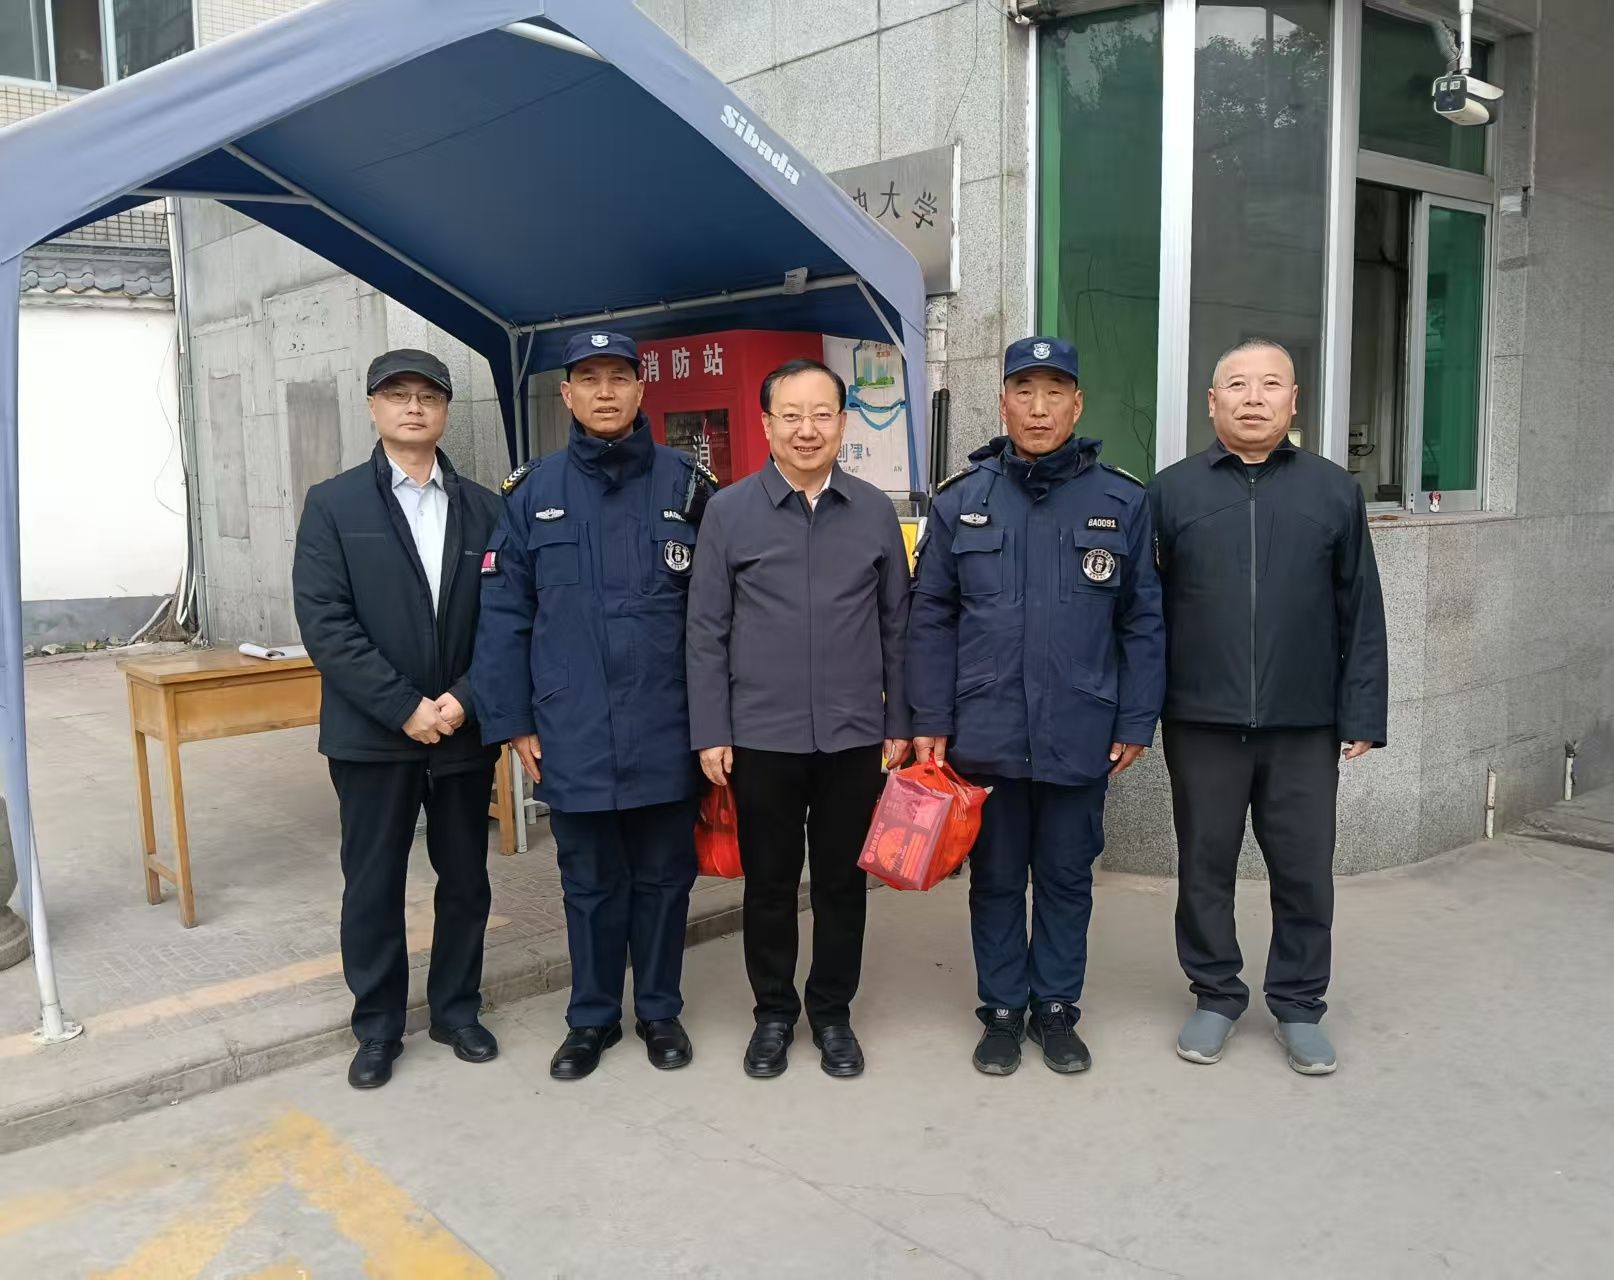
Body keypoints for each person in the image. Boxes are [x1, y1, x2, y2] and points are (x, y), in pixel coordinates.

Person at [908, 336, 1165, 1076]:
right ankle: (1000, 1010)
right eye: (1025, 391)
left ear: (1077, 404)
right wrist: (930, 720)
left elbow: (1144, 620)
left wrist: (1135, 719)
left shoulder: (1122, 501)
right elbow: (931, 618)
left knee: (1065, 877)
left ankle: (1055, 1008)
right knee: (994, 881)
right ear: (1003, 403)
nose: (1040, 407)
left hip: (1080, 729)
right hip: (984, 730)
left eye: (1055, 392)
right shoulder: (962, 501)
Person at [472, 331, 714, 1081]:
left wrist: (717, 723)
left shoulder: (689, 487)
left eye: (618, 378)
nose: (605, 392)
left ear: (642, 389)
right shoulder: (533, 493)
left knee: (665, 879)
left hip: (668, 724)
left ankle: (660, 1011)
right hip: (571, 727)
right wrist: (514, 721)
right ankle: (592, 1018)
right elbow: (504, 614)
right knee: (588, 881)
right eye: (589, 379)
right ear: (567, 394)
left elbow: (721, 616)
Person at [1149, 338, 1387, 1076]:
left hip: (1304, 722)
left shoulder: (1332, 491)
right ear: (1211, 402)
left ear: (1294, 400)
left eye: (1270, 385)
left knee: (1305, 871)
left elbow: (1361, 610)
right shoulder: (1171, 493)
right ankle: (1216, 994)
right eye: (1237, 385)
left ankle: (1298, 1004)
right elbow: (1144, 614)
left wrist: (1361, 713)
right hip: (1202, 720)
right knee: (1205, 867)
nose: (1254, 398)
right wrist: (1138, 712)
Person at [687, 358, 911, 1080]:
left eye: (821, 414)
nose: (807, 429)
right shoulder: (728, 513)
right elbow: (706, 630)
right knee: (771, 884)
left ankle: (833, 1013)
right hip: (762, 737)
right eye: (791, 415)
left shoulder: (873, 511)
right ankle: (774, 1014)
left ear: (843, 423)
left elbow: (897, 626)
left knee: (843, 883)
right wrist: (711, 730)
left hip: (854, 737)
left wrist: (900, 722)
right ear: (766, 424)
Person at [293, 349, 504, 1090]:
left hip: (461, 731)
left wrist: (466, 699)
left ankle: (456, 1010)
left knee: (466, 879)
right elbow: (326, 622)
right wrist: (403, 707)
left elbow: (506, 621)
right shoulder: (334, 504)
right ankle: (378, 1027)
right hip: (372, 737)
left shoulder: (485, 508)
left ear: (444, 410)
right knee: (374, 884)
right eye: (397, 395)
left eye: (428, 396)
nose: (413, 407)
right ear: (373, 407)